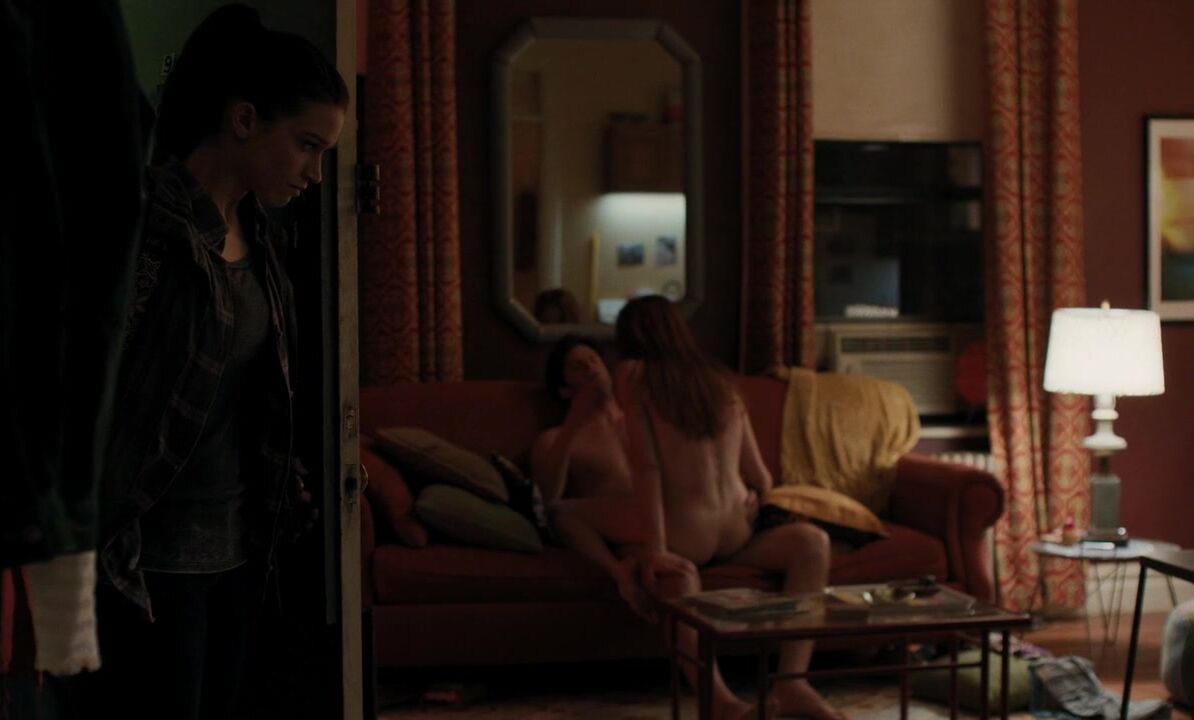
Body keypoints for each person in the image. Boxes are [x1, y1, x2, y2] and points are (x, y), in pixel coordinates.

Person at [86, 5, 347, 719]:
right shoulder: (152, 230)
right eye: (307, 146)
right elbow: (97, 395)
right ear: (244, 120)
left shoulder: (260, 233)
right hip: (151, 563)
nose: (315, 173)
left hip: (240, 553)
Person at [614, 295, 846, 720]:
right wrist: (751, 497)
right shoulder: (721, 382)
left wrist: (655, 548)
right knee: (813, 543)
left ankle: (723, 701)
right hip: (737, 529)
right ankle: (792, 679)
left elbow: (648, 468)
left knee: (651, 568)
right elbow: (761, 477)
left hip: (687, 534)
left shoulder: (635, 376)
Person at [531, 336, 690, 618]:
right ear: (564, 390)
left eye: (594, 360)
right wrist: (574, 422)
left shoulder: (644, 420)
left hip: (670, 519)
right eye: (577, 366)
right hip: (618, 532)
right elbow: (546, 500)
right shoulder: (555, 439)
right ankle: (619, 572)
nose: (590, 367)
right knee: (668, 575)